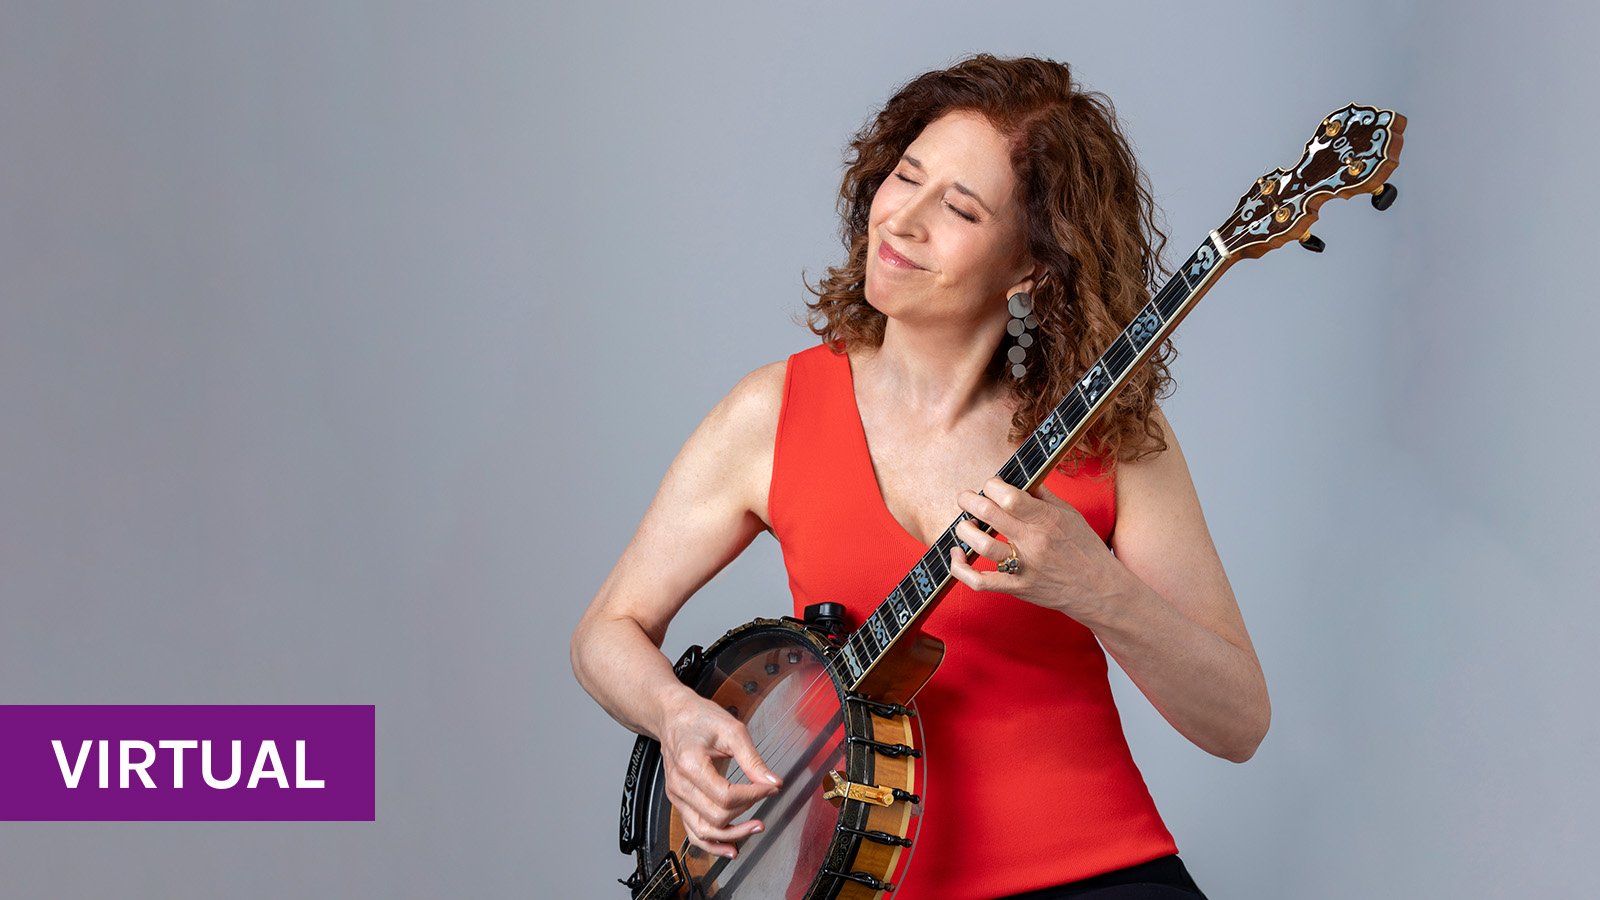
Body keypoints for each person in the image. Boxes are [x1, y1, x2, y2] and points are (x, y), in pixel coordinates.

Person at [571, 53, 1269, 900]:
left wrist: (1096, 589)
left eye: (961, 209)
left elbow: (1238, 723)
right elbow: (608, 630)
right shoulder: (774, 412)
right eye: (905, 177)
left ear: (1031, 269)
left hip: (1102, 876)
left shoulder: (1110, 436)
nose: (902, 221)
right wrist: (678, 716)